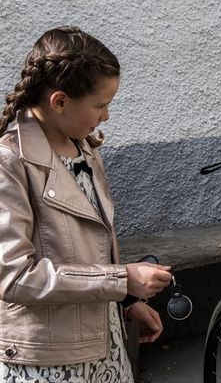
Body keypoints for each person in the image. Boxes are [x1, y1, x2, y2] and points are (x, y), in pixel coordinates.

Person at [0, 27, 173, 382]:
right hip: (45, 362)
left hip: (101, 349)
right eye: (100, 104)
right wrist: (122, 279)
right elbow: (14, 277)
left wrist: (124, 303)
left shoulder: (84, 148)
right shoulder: (9, 162)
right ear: (59, 101)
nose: (106, 115)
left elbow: (86, 254)